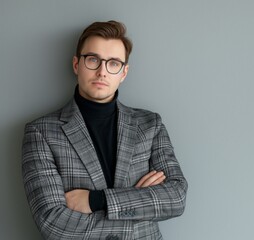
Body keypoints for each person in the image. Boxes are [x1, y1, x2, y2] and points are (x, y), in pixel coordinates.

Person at [22, 20, 188, 240]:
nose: (102, 71)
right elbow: (53, 223)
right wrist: (139, 205)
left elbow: (176, 198)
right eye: (93, 60)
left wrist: (96, 201)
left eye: (113, 63)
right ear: (76, 64)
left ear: (124, 72)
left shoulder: (150, 124)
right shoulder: (41, 132)